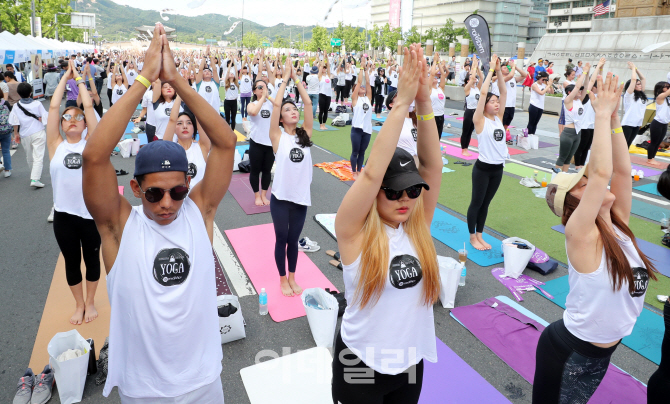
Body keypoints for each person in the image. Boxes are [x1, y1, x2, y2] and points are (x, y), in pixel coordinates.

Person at [83, 24, 235, 402]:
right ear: (135, 189)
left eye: (178, 191)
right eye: (154, 194)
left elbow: (226, 142)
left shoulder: (199, 213)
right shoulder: (119, 228)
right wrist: (145, 78)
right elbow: (94, 156)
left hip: (204, 383)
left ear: (189, 183)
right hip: (144, 391)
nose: (167, 203)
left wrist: (178, 82)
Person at [535, 72, 659, 404]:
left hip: (601, 353)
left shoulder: (617, 222)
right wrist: (600, 115)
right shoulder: (579, 233)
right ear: (573, 204)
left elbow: (618, 172)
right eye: (582, 182)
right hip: (569, 352)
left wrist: (615, 120)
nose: (592, 181)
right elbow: (603, 171)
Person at [331, 44, 442, 404]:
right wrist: (401, 104)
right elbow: (370, 176)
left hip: (410, 364)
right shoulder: (355, 234)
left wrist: (424, 103)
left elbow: (432, 167)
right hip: (360, 365)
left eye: (412, 191)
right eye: (393, 193)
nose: (406, 199)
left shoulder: (416, 228)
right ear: (376, 193)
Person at [45, 59, 101, 325]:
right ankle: (78, 304)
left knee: (91, 258)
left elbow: (88, 104)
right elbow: (54, 106)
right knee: (71, 261)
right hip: (64, 215)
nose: (71, 121)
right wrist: (64, 77)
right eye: (67, 118)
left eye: (77, 118)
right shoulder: (56, 144)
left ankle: (90, 302)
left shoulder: (91, 144)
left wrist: (78, 78)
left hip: (89, 213)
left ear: (85, 125)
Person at [268, 58, 314, 297]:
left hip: (300, 198)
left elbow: (307, 103)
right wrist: (284, 79)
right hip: (281, 197)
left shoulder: (305, 133)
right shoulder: (277, 136)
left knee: (294, 240)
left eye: (293, 109)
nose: (293, 111)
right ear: (281, 117)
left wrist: (296, 78)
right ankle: (282, 279)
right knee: (281, 238)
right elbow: (276, 105)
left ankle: (293, 276)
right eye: (288, 110)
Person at [467, 55, 508, 251]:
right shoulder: (480, 119)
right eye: (492, 102)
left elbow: (503, 91)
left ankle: (480, 235)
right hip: (483, 169)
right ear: (485, 106)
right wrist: (490, 70)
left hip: (498, 169)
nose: (497, 104)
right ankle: (472, 237)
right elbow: (483, 94)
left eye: (497, 102)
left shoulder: (498, 118)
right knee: (476, 202)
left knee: (486, 204)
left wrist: (499, 70)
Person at [164, 95, 210, 189]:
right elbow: (172, 120)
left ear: (194, 127)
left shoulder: (202, 147)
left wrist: (190, 95)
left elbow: (200, 118)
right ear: (174, 129)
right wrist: (180, 95)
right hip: (178, 201)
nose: (185, 126)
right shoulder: (170, 149)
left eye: (189, 123)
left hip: (199, 201)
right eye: (180, 123)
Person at [9, 83, 48, 188]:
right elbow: (45, 118)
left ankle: (34, 175)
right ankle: (35, 178)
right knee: (38, 156)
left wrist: (16, 134)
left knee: (29, 156)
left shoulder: (16, 106)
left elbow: (14, 122)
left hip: (25, 134)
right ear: (31, 92)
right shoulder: (37, 104)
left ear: (19, 93)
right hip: (38, 131)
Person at [555, 63, 590, 173]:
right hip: (568, 133)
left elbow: (586, 87)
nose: (580, 92)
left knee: (569, 159)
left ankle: (563, 178)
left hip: (577, 133)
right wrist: (583, 72)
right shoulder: (568, 101)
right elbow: (578, 87)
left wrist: (588, 73)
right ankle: (555, 180)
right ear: (570, 92)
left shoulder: (579, 101)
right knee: (562, 158)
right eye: (577, 91)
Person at [247, 78, 275, 206]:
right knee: (255, 170)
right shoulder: (252, 104)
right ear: (254, 91)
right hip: (256, 142)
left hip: (270, 144)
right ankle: (256, 195)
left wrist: (268, 97)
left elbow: (280, 106)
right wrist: (262, 99)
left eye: (265, 87)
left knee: (267, 171)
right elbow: (253, 112)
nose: (263, 89)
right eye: (259, 87)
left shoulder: (271, 103)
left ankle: (264, 195)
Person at [573, 60, 603, 171]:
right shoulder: (585, 97)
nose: (598, 87)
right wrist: (597, 66)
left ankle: (582, 165)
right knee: (581, 146)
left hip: (592, 125)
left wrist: (601, 69)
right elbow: (591, 81)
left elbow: (599, 80)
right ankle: (577, 165)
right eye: (596, 86)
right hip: (584, 125)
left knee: (587, 147)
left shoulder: (597, 96)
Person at [350, 58, 373, 179]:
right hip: (357, 129)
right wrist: (361, 68)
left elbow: (368, 83)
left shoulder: (368, 98)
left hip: (367, 130)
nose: (362, 87)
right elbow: (359, 82)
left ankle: (359, 170)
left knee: (362, 152)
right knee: (355, 151)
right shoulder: (355, 99)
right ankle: (354, 171)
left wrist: (367, 70)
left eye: (364, 87)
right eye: (360, 87)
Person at [622, 62, 648, 147]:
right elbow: (633, 80)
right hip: (628, 124)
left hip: (637, 124)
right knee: (623, 145)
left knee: (628, 144)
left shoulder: (641, 95)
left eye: (640, 84)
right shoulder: (629, 95)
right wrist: (633, 69)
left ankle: (623, 160)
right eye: (637, 85)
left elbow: (643, 79)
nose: (640, 86)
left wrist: (636, 69)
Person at [462, 55, 484, 157]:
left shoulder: (476, 88)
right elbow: (471, 79)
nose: (474, 78)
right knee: (466, 131)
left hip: (476, 112)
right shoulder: (467, 88)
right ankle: (463, 149)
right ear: (468, 80)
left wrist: (477, 66)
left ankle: (467, 148)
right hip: (469, 112)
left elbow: (482, 78)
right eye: (471, 77)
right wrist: (473, 66)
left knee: (471, 131)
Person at [524, 71, 554, 138]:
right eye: (543, 79)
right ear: (539, 78)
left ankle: (532, 136)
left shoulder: (544, 85)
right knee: (531, 122)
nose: (544, 81)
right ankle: (528, 136)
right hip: (534, 105)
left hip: (540, 106)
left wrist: (550, 85)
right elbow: (541, 93)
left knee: (535, 123)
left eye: (545, 80)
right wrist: (548, 85)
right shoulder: (535, 85)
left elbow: (552, 92)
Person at [501, 60, 528, 131]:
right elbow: (510, 75)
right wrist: (513, 67)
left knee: (507, 124)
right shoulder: (501, 79)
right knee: (501, 123)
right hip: (504, 105)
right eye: (504, 68)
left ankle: (503, 137)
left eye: (507, 67)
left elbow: (525, 75)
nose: (506, 68)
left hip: (512, 105)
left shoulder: (513, 79)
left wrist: (515, 67)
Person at [648, 81, 670, 167]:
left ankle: (652, 158)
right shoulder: (660, 97)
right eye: (666, 87)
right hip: (657, 123)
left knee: (658, 142)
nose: (668, 88)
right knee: (654, 142)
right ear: (661, 88)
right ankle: (650, 159)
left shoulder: (667, 99)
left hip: (664, 124)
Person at [195, 46, 221, 113]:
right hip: (202, 112)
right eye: (205, 71)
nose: (207, 72)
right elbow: (200, 69)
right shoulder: (199, 83)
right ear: (202, 75)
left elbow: (214, 70)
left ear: (212, 75)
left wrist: (210, 57)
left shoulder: (215, 83)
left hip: (215, 112)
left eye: (209, 71)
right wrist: (205, 55)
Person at [430, 57, 447, 139]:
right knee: (431, 137)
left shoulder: (440, 88)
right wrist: (434, 62)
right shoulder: (429, 89)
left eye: (436, 78)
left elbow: (443, 74)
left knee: (438, 136)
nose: (435, 78)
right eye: (433, 78)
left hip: (441, 115)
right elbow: (432, 73)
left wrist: (439, 62)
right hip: (432, 115)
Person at [558, 68, 577, 135]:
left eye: (574, 75)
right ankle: (561, 132)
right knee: (562, 116)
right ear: (568, 75)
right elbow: (572, 89)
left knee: (568, 116)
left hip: (572, 101)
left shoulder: (574, 82)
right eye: (572, 75)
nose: (574, 76)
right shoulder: (565, 82)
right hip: (565, 100)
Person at [317, 58, 333, 130]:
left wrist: (326, 56)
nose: (324, 69)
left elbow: (329, 66)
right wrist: (323, 56)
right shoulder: (320, 76)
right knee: (321, 111)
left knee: (326, 111)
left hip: (328, 95)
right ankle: (320, 125)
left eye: (325, 68)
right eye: (323, 68)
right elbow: (321, 67)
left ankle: (324, 124)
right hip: (322, 94)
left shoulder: (328, 76)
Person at [0, 90, 12, 178]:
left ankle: (0, 165)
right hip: (6, 130)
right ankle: (7, 171)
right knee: (6, 150)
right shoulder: (6, 103)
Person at [223, 66, 239, 132]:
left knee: (233, 117)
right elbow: (227, 72)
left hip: (234, 102)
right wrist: (231, 61)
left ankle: (232, 130)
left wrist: (234, 63)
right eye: (230, 73)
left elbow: (236, 72)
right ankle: (227, 131)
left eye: (233, 74)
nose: (231, 74)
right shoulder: (226, 83)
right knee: (227, 117)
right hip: (227, 102)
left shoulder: (236, 83)